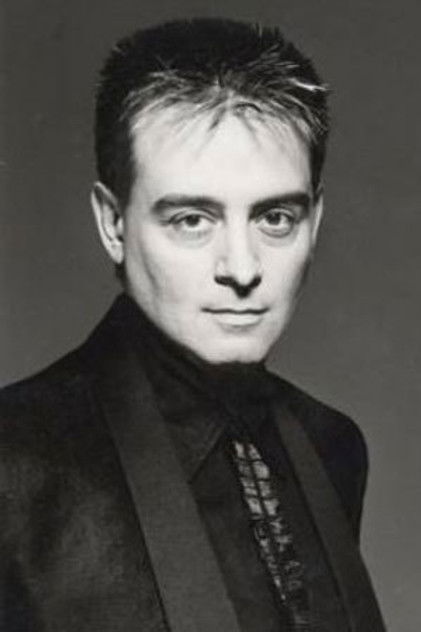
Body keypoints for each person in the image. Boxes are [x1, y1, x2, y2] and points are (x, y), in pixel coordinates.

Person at [0, 18, 386, 632]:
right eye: (191, 220)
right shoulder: (14, 464)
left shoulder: (332, 444)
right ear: (113, 224)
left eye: (275, 218)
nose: (242, 269)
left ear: (314, 222)